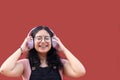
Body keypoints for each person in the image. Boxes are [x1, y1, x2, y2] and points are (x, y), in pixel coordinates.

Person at [0, 25, 86, 80]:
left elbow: (80, 71)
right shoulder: (26, 64)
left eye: (47, 38)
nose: (43, 41)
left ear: (53, 42)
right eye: (39, 38)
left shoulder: (60, 63)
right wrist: (22, 49)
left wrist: (63, 49)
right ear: (32, 42)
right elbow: (4, 70)